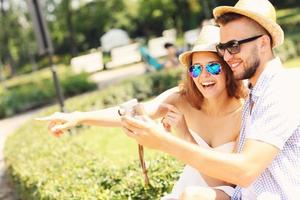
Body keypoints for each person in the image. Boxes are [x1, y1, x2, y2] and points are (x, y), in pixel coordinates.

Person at [36, 25, 246, 200]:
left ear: (227, 69)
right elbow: (132, 112)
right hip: (187, 191)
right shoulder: (182, 98)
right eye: (196, 69)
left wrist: (184, 135)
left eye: (213, 67)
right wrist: (78, 116)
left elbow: (223, 181)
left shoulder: (242, 112)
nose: (204, 76)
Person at [120, 0, 300, 199]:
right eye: (223, 47)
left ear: (263, 43)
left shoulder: (282, 89)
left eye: (234, 46)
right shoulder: (254, 91)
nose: (227, 56)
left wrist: (163, 142)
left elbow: (246, 171)